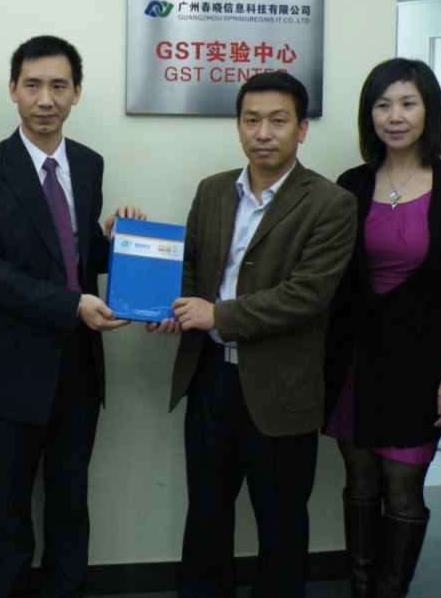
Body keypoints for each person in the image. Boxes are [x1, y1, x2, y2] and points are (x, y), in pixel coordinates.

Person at [153, 71, 357, 598]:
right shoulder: (213, 190)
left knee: (281, 525)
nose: (263, 132)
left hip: (280, 388)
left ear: (302, 129)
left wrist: (216, 315)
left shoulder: (331, 203)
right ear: (239, 126)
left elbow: (306, 296)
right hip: (210, 382)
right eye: (251, 120)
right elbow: (191, 268)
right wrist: (165, 304)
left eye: (278, 120)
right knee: (206, 516)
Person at [0, 35, 143, 598]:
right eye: (33, 85)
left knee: (71, 500)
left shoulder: (87, 163)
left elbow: (73, 258)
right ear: (13, 89)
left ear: (77, 92)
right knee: (11, 506)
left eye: (59, 86)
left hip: (77, 367)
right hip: (9, 367)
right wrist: (72, 305)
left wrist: (122, 241)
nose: (45, 99)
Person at [322, 59, 441, 597]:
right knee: (360, 481)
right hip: (355, 361)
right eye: (382, 105)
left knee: (404, 485)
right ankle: (360, 587)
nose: (395, 116)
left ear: (429, 111)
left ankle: (392, 591)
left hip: (422, 364)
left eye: (407, 104)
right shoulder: (352, 184)